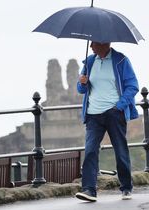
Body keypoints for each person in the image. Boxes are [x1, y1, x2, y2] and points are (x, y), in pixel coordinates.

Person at [75, 42, 139, 202]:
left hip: (114, 113)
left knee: (120, 150)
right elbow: (81, 89)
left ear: (104, 43)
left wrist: (120, 106)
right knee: (90, 150)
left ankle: (126, 187)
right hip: (93, 114)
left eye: (94, 43)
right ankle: (89, 190)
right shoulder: (89, 61)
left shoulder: (121, 60)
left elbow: (133, 86)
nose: (91, 47)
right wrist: (81, 82)